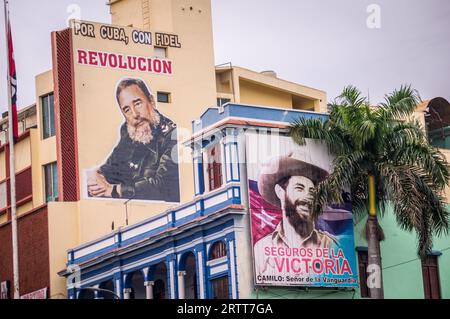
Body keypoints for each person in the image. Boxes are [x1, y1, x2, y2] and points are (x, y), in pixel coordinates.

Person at [87, 77, 180, 202]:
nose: (135, 114)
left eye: (137, 103)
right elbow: (112, 167)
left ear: (151, 101)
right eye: (127, 110)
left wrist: (115, 190)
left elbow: (162, 185)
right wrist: (97, 175)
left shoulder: (173, 135)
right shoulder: (129, 132)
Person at [254, 152, 338, 274]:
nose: (308, 197)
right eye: (299, 188)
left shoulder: (331, 245)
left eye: (312, 191)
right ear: (280, 192)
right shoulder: (262, 248)